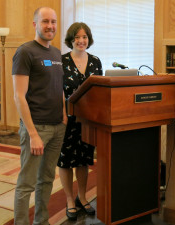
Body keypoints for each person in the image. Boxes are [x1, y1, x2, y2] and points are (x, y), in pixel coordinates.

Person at [12, 7, 67, 225]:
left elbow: (59, 88)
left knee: (46, 180)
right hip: (37, 128)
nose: (50, 26)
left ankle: (41, 221)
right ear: (35, 24)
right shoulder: (25, 52)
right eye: (45, 21)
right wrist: (33, 134)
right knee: (26, 184)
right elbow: (19, 96)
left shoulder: (56, 53)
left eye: (53, 22)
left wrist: (63, 116)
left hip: (57, 127)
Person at [57, 22, 102, 220]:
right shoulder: (61, 61)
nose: (81, 41)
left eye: (84, 37)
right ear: (71, 39)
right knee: (66, 160)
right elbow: (58, 91)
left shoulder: (96, 61)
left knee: (84, 159)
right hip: (67, 118)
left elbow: (99, 90)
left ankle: (82, 197)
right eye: (77, 37)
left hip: (88, 119)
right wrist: (62, 114)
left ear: (89, 39)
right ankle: (69, 199)